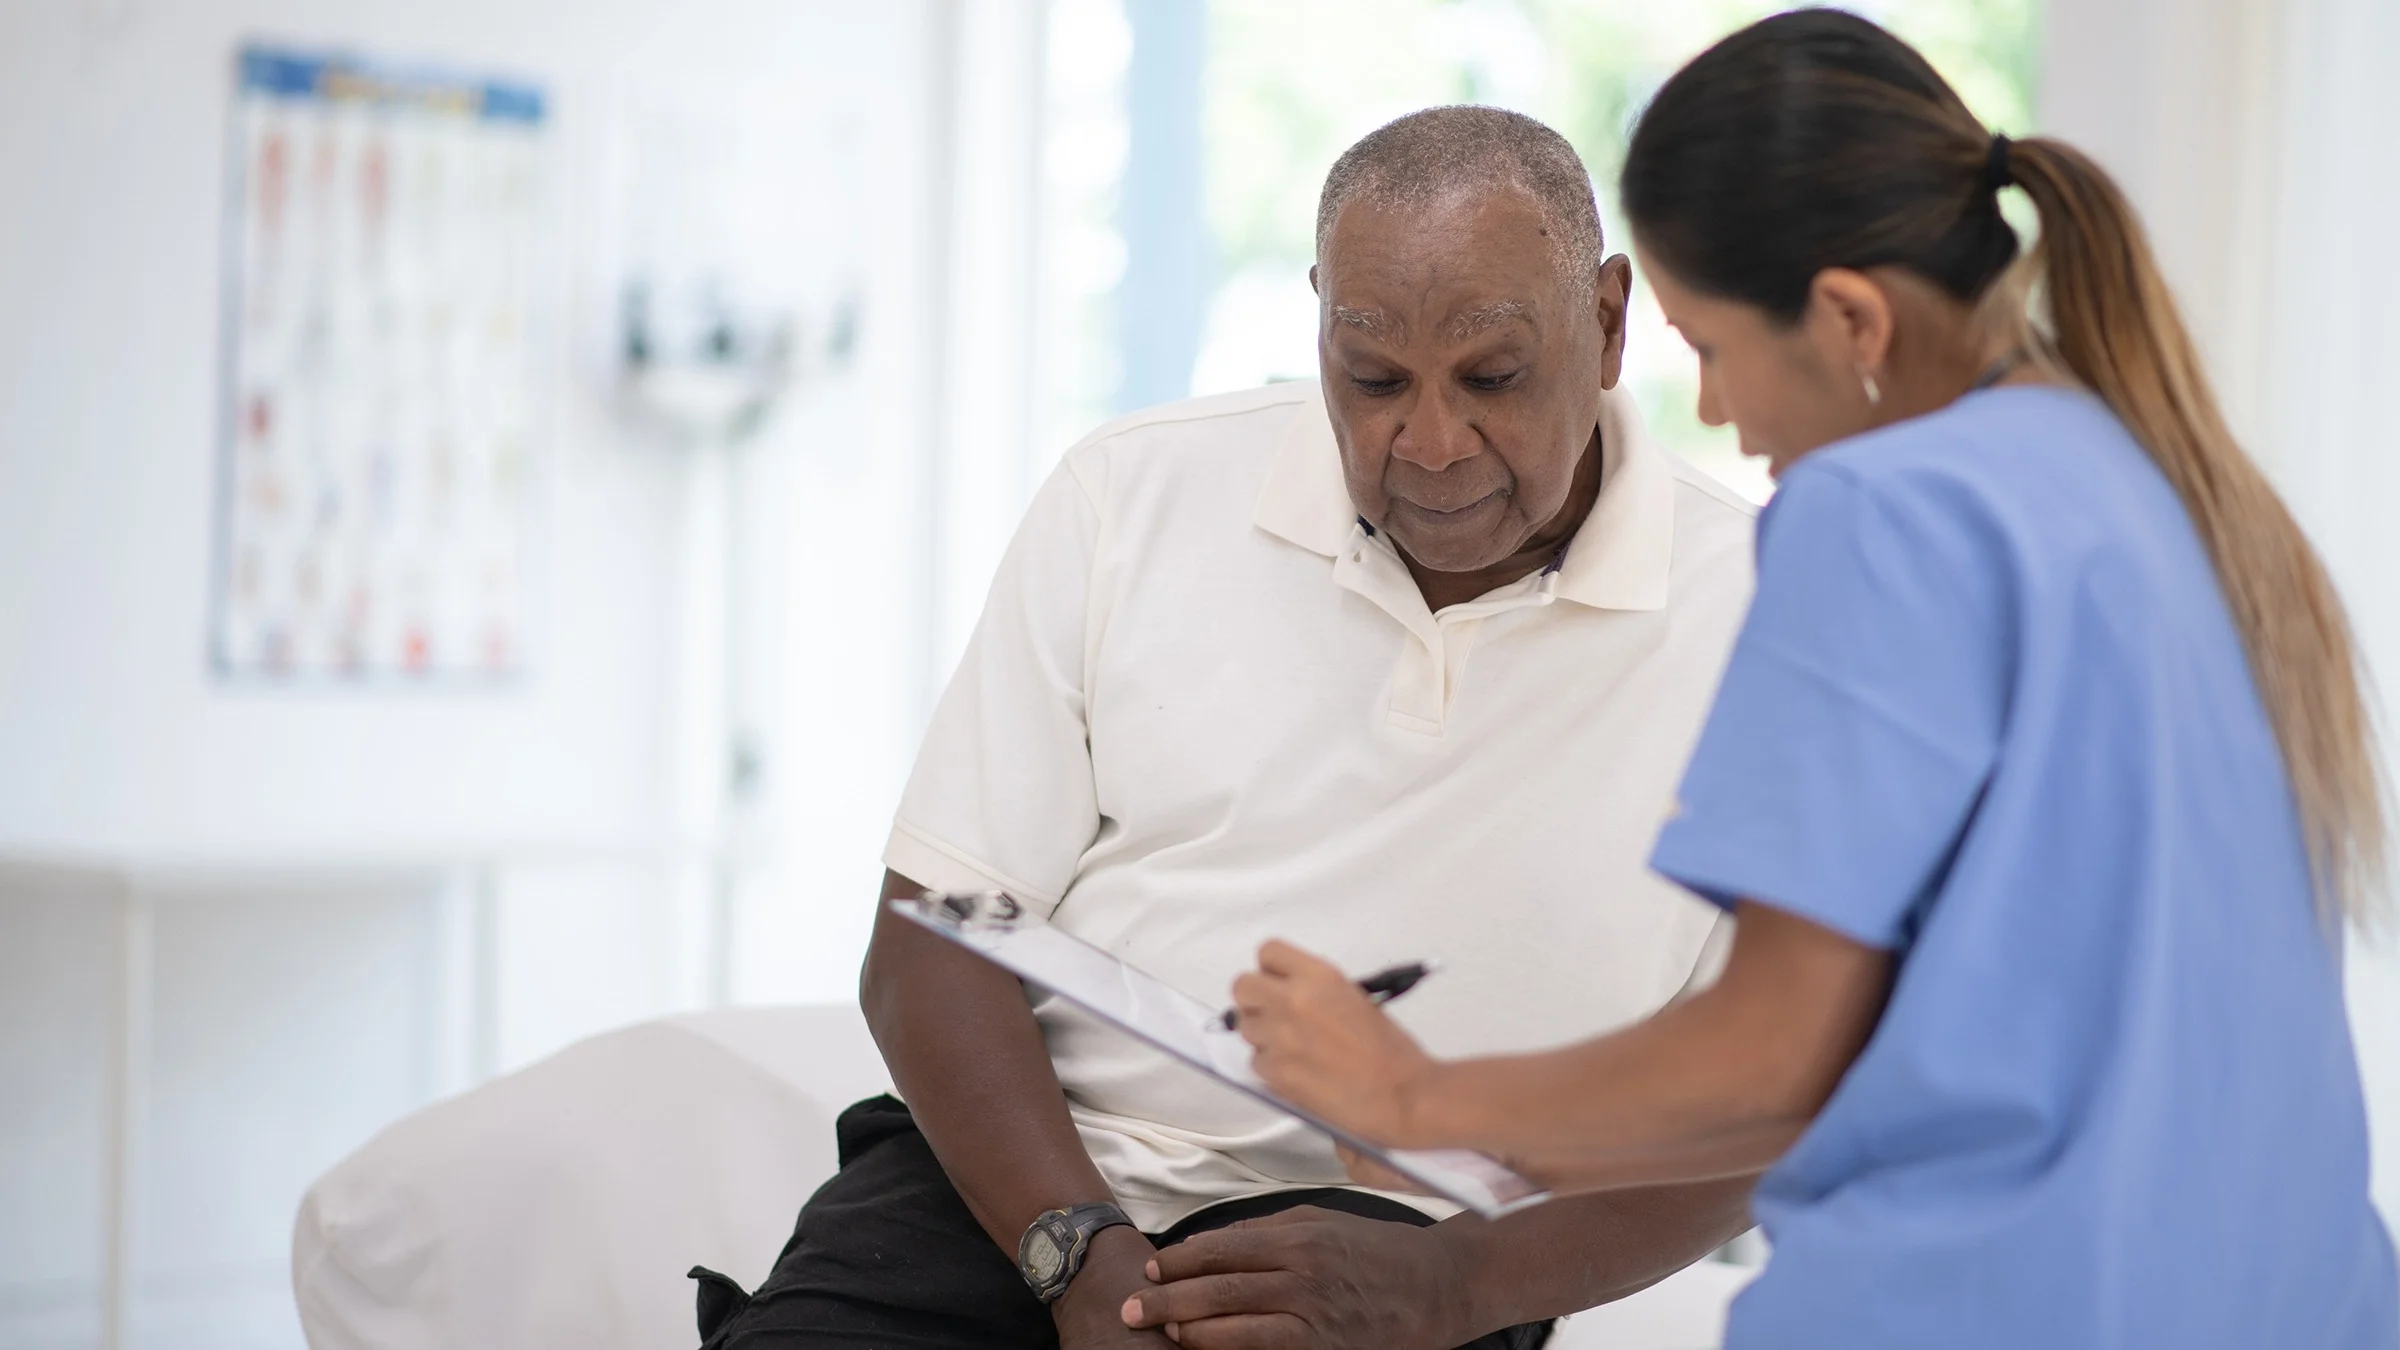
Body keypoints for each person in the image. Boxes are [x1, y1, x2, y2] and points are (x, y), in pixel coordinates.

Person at [1216, 11, 2400, 1350]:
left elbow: (1775, 1054)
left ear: (1848, 319)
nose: (1714, 412)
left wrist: (1411, 1096)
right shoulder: (2154, 484)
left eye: (1711, 346)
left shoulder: (1885, 510)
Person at [691, 107, 1764, 1350]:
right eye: (1370, 380)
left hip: (1412, 1251)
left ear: (1610, 322)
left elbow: (1767, 1100)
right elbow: (933, 946)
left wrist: (1457, 1291)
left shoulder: (1768, 618)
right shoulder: (1130, 496)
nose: (1428, 443)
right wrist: (1076, 1254)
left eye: (1492, 377)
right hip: (1034, 1197)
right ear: (1318, 322)